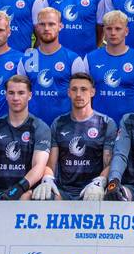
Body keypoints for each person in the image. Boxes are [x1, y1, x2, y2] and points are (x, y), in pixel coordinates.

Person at [33, 72, 117, 201]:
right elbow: (51, 164)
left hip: (92, 190)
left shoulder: (106, 123)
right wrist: (47, 179)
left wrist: (99, 182)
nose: (78, 94)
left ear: (92, 92)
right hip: (63, 191)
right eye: (74, 89)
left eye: (84, 89)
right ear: (68, 93)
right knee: (44, 197)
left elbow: (109, 163)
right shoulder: (59, 123)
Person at [0, 75, 53, 200]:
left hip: (26, 190)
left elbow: (39, 166)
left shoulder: (40, 127)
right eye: (11, 93)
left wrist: (19, 189)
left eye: (21, 93)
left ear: (29, 95)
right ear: (6, 95)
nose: (15, 98)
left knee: (24, 198)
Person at [74, 10, 134, 126]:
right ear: (104, 31)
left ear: (126, 31)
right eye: (109, 29)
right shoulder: (90, 59)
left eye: (118, 29)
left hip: (130, 127)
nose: (113, 33)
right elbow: (84, 95)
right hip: (97, 126)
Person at [23, 7, 79, 125]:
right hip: (33, 127)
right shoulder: (28, 59)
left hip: (64, 127)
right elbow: (20, 94)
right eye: (42, 24)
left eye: (51, 24)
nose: (46, 28)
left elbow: (80, 97)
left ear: (60, 26)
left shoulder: (73, 59)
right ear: (37, 27)